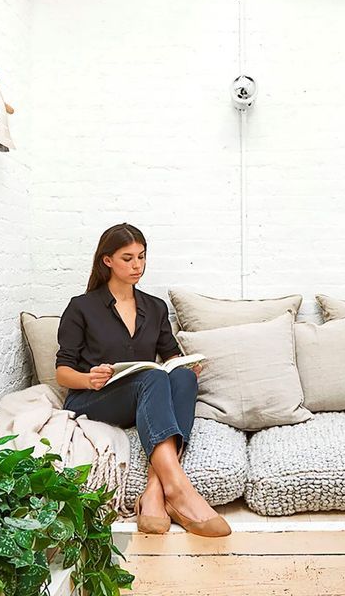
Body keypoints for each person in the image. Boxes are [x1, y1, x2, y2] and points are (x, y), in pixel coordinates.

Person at [55, 223, 231, 537]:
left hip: (141, 396)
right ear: (107, 261)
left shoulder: (154, 306)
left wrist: (186, 365)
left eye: (142, 257)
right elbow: (62, 371)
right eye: (128, 258)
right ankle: (177, 488)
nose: (137, 265)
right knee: (153, 376)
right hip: (94, 398)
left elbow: (170, 353)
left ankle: (154, 489)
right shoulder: (82, 307)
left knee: (183, 379)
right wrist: (88, 378)